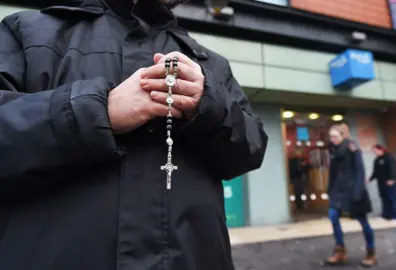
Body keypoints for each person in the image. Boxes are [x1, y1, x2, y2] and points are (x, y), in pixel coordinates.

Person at [0, 1, 269, 270]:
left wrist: (209, 104)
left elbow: (251, 149)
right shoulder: (27, 32)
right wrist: (95, 111)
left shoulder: (211, 64)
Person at [324, 125, 376, 267]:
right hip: (338, 191)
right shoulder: (333, 151)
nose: (332, 139)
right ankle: (340, 251)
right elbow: (332, 172)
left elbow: (360, 170)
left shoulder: (352, 148)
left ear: (343, 136)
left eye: (335, 136)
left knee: (363, 221)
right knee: (333, 216)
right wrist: (330, 189)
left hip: (354, 190)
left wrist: (358, 191)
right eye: (331, 136)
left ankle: (371, 253)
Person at [369, 144, 396, 220]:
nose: (374, 152)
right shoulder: (376, 160)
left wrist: (392, 179)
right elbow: (375, 172)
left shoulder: (388, 157)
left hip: (389, 182)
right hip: (380, 182)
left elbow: (393, 169)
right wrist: (370, 179)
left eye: (375, 150)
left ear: (380, 149)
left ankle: (395, 216)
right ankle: (386, 215)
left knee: (391, 199)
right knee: (384, 198)